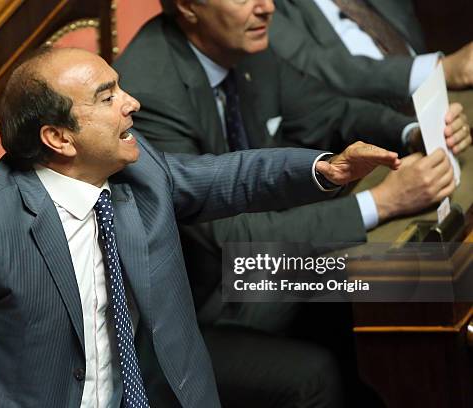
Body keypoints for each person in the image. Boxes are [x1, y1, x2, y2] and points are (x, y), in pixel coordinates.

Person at [0, 47, 397, 407]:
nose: (132, 103)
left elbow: (227, 176)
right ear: (58, 137)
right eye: (107, 98)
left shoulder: (139, 171)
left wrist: (325, 169)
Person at [113, 0, 470, 405]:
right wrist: (382, 202)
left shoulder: (242, 43)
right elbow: (229, 240)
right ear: (188, 7)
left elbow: (327, 111)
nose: (266, 7)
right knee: (394, 288)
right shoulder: (149, 90)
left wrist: (410, 131)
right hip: (210, 297)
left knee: (415, 283)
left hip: (263, 264)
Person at [271, 0, 473, 105]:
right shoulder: (265, 8)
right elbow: (319, 68)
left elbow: (406, 19)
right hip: (367, 125)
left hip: (434, 95)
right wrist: (440, 69)